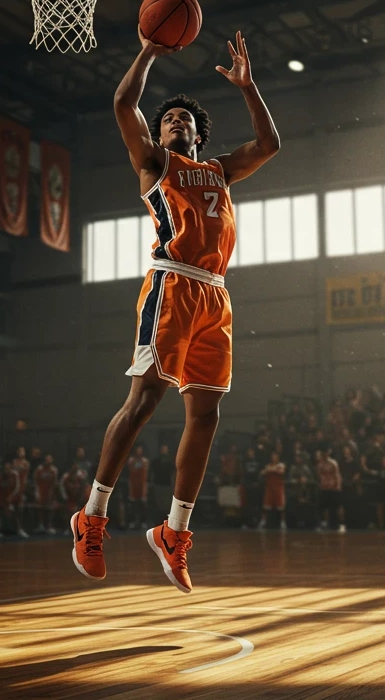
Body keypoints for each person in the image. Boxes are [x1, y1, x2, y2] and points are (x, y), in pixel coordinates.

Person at [71, 29, 280, 595]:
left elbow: (269, 145)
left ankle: (174, 532)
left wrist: (249, 86)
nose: (177, 124)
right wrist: (148, 52)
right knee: (143, 402)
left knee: (206, 418)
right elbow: (123, 104)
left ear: (200, 132)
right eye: (169, 120)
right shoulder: (154, 164)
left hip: (217, 296)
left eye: (186, 121)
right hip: (172, 286)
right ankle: (91, 518)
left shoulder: (220, 171)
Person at [315, 448, 344, 533]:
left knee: (333, 508)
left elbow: (337, 475)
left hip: (333, 488)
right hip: (324, 488)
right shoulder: (320, 464)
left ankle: (333, 525)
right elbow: (319, 476)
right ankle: (322, 524)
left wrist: (338, 487)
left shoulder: (333, 463)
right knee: (321, 508)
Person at [259, 451, 286, 530]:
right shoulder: (268, 465)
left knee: (281, 507)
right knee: (266, 507)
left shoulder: (281, 465)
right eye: (272, 456)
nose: (273, 457)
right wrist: (268, 470)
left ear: (278, 457)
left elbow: (281, 472)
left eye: (275, 456)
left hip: (279, 489)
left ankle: (282, 522)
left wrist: (269, 470)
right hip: (269, 489)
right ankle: (263, 521)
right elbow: (262, 473)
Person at [33, 454, 59, 535]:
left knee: (49, 509)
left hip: (49, 491)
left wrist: (53, 493)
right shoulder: (39, 469)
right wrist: (36, 491)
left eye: (49, 459)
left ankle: (49, 526)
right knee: (40, 508)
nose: (48, 461)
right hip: (40, 491)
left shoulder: (54, 470)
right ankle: (41, 525)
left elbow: (55, 482)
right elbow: (35, 480)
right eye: (47, 459)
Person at [126, 444, 149, 530]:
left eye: (140, 450)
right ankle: (132, 522)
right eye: (137, 450)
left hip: (142, 485)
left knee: (143, 504)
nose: (139, 451)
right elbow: (130, 471)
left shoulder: (145, 461)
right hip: (133, 485)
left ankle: (143, 522)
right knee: (132, 504)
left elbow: (146, 474)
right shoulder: (131, 460)